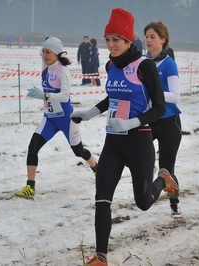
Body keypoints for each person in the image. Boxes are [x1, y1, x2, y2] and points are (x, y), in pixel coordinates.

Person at [71, 8, 179, 265]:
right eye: (107, 39)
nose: (110, 45)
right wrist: (89, 113)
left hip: (139, 141)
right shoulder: (111, 65)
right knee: (102, 198)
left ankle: (164, 179)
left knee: (142, 202)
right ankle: (101, 257)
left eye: (116, 39)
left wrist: (131, 122)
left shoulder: (145, 67)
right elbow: (113, 96)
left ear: (128, 40)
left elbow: (160, 107)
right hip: (113, 142)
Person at [15, 37, 97, 198]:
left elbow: (65, 96)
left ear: (57, 53)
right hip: (49, 119)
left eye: (48, 52)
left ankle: (96, 168)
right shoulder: (45, 69)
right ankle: (30, 187)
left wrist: (44, 95)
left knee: (78, 151)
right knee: (33, 147)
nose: (44, 55)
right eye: (43, 52)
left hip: (66, 119)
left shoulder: (63, 71)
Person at [144, 20, 182, 218]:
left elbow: (175, 96)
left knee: (166, 167)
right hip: (149, 120)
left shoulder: (169, 64)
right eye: (147, 37)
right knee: (140, 157)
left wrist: (154, 93)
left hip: (169, 122)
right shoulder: (142, 62)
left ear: (163, 40)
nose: (148, 40)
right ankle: (144, 192)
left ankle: (174, 201)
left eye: (153, 37)